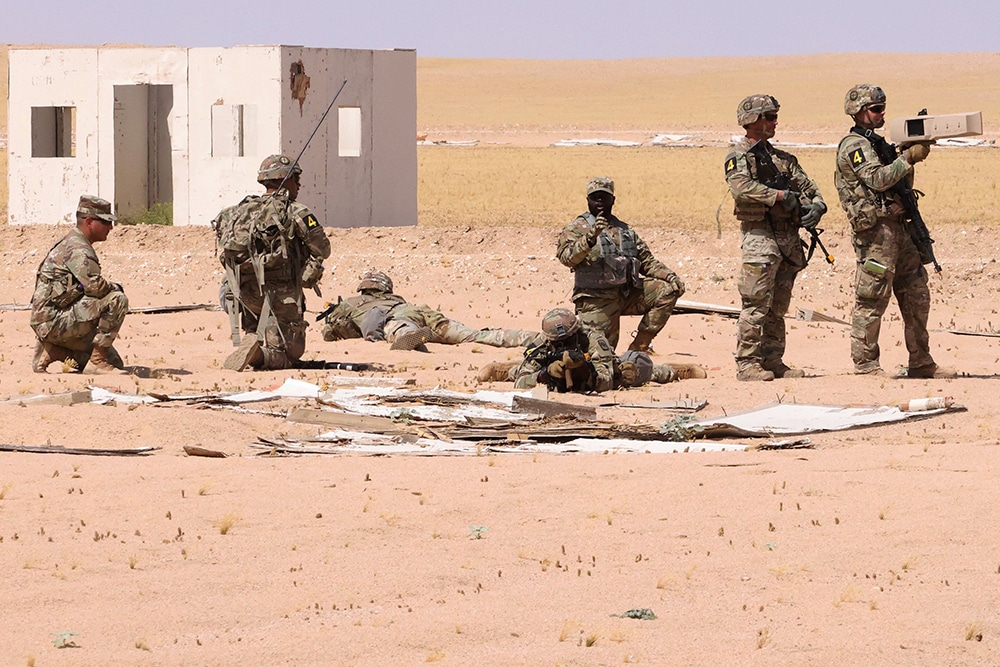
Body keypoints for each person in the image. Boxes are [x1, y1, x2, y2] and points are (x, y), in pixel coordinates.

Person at [835, 84, 955, 378]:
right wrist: (907, 158)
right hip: (876, 234)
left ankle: (921, 360)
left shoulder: (878, 144)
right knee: (872, 297)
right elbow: (877, 179)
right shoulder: (853, 146)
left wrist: (907, 153)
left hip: (901, 230)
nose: (881, 113)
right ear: (859, 112)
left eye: (882, 107)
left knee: (916, 294)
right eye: (875, 109)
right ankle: (865, 364)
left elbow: (901, 182)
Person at [724, 94, 828, 381]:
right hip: (760, 238)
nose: (775, 122)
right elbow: (741, 186)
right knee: (756, 304)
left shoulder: (783, 159)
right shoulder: (739, 156)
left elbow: (810, 189)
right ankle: (747, 364)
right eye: (769, 116)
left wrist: (815, 207)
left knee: (778, 307)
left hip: (787, 240)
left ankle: (773, 360)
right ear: (753, 120)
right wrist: (780, 196)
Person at [215, 154, 331, 371]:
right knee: (288, 355)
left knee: (256, 333)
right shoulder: (295, 211)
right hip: (282, 294)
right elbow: (323, 247)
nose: (299, 184)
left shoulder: (237, 212)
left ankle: (253, 346)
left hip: (244, 291)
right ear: (284, 179)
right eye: (295, 178)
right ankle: (258, 355)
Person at [556, 177, 685, 352]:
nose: (600, 201)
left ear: (613, 200)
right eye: (595, 197)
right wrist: (589, 239)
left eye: (604, 197)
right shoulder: (576, 229)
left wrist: (670, 276)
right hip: (596, 300)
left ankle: (638, 349)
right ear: (588, 200)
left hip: (625, 294)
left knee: (667, 290)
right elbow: (566, 258)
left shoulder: (625, 230)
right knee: (602, 356)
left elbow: (647, 261)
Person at [476, 308, 707, 391]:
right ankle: (504, 370)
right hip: (550, 377)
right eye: (558, 342)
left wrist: (582, 370)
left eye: (568, 339)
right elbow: (522, 383)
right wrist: (546, 374)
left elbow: (606, 381)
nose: (563, 345)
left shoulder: (593, 340)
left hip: (598, 371)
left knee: (632, 371)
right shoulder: (542, 344)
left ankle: (676, 371)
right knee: (520, 374)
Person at [321, 269, 545, 351]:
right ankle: (531, 337)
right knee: (476, 336)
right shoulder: (397, 298)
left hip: (398, 319)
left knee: (399, 329)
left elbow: (329, 334)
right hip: (423, 313)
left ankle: (410, 338)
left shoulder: (351, 303)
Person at [30, 195, 129, 373]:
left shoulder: (75, 241)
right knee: (117, 300)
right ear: (90, 222)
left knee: (115, 363)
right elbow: (96, 288)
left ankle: (54, 351)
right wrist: (116, 287)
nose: (111, 227)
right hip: (53, 321)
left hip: (56, 316)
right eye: (106, 222)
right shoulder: (78, 249)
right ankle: (97, 362)